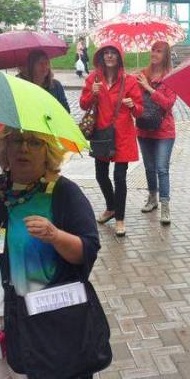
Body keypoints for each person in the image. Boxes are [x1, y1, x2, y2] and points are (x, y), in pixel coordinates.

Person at [0, 127, 100, 378]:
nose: (24, 148)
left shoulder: (64, 193)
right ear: (4, 149)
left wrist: (55, 235)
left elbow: (87, 252)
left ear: (48, 152)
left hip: (40, 328)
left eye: (35, 143)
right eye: (16, 141)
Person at [79, 41, 143, 237]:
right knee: (100, 175)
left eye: (113, 53)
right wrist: (92, 93)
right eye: (106, 53)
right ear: (101, 57)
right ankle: (111, 206)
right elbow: (83, 104)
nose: (109, 56)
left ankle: (120, 219)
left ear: (119, 57)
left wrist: (133, 105)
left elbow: (139, 111)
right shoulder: (94, 78)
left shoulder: (129, 81)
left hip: (123, 135)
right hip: (101, 134)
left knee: (120, 178)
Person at [136, 41, 177, 224]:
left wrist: (149, 88)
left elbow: (168, 104)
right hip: (144, 128)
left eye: (159, 51)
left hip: (164, 130)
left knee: (162, 168)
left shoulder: (171, 77)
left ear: (165, 55)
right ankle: (152, 198)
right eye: (153, 50)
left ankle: (165, 205)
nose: (154, 54)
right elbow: (135, 98)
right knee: (149, 167)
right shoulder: (143, 74)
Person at [24, 49, 71, 113]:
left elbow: (66, 110)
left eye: (46, 63)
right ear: (32, 66)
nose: (44, 67)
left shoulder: (56, 85)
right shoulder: (25, 86)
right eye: (40, 64)